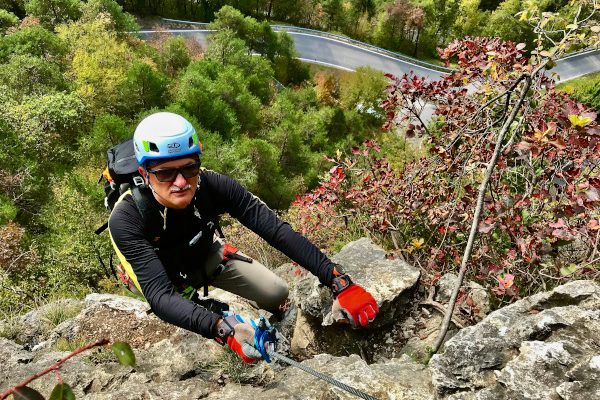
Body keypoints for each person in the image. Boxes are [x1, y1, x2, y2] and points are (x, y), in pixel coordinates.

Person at [108, 112, 379, 363]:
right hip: (161, 277)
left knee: (277, 291)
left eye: (189, 169)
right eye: (166, 173)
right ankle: (199, 304)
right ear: (144, 174)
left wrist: (338, 281)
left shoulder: (212, 185)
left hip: (205, 254)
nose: (180, 182)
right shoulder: (126, 218)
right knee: (189, 312)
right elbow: (160, 296)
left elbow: (275, 230)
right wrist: (221, 328)